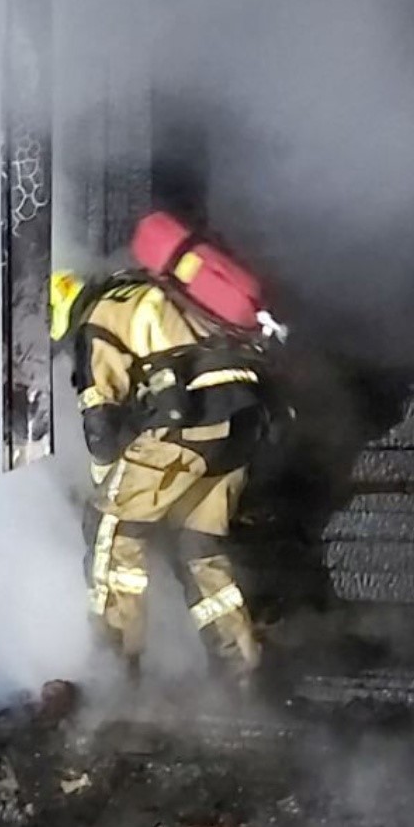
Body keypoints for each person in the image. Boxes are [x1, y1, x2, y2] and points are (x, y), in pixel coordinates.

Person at [56, 243, 269, 675]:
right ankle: (240, 671)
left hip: (186, 420)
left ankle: (113, 670)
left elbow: (100, 415)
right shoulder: (146, 290)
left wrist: (108, 486)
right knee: (199, 545)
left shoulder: (96, 320)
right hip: (242, 418)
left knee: (110, 529)